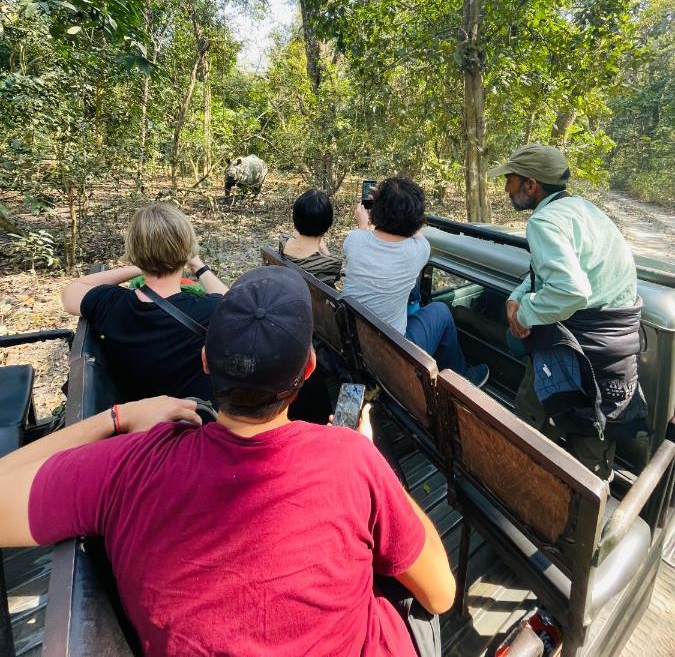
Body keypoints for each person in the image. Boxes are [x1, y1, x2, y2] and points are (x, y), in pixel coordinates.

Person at [1, 266, 455, 656]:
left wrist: (119, 417)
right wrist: (372, 461)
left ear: (204, 361)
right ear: (310, 368)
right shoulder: (351, 460)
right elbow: (440, 594)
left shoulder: (133, 465)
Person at [488, 143, 648, 480]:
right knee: (593, 442)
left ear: (531, 184)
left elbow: (571, 290)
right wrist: (517, 297)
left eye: (511, 180)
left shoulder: (544, 222)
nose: (506, 188)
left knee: (532, 426)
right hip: (614, 351)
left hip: (579, 352)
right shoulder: (583, 209)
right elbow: (545, 275)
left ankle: (528, 493)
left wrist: (523, 315)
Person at [61, 203, 228, 403]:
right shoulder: (207, 310)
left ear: (134, 252)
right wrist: (198, 265)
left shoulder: (112, 304)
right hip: (194, 423)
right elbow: (234, 303)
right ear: (187, 251)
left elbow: (71, 291)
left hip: (138, 423)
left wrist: (138, 267)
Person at [343, 177, 489, 388]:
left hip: (356, 343)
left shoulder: (354, 240)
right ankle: (462, 378)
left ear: (375, 209)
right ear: (416, 218)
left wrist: (364, 223)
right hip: (394, 355)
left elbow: (366, 237)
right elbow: (416, 231)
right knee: (440, 310)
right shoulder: (419, 250)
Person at [280, 188, 342, 286]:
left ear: (295, 219)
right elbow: (335, 277)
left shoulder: (283, 241)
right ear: (328, 223)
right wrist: (325, 251)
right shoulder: (330, 264)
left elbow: (291, 234)